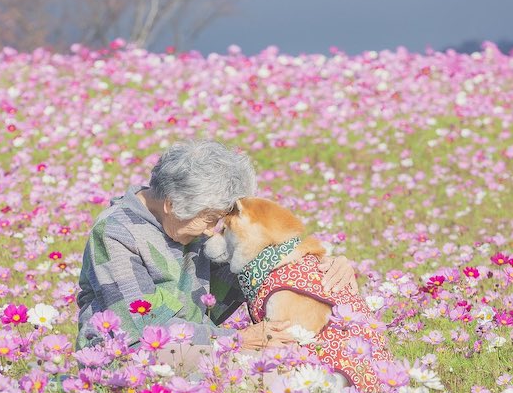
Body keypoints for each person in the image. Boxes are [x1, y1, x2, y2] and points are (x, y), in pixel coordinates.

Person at [76, 140, 359, 369]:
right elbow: (143, 328)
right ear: (171, 204)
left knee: (297, 369)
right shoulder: (117, 233)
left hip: (201, 350)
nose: (214, 232)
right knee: (271, 377)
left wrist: (320, 265)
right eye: (210, 219)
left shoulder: (189, 223)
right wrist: (235, 340)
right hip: (130, 362)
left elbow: (260, 267)